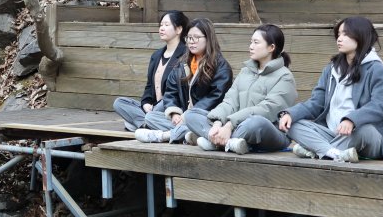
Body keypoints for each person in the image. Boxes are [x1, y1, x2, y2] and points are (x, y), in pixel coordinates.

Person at [278, 16, 383, 162]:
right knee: (293, 124)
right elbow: (316, 103)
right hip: (333, 133)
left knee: (363, 130)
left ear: (361, 36)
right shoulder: (331, 70)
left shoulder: (377, 70)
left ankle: (317, 150)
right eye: (339, 34)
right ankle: (332, 152)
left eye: (345, 34)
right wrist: (291, 114)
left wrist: (352, 120)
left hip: (366, 134)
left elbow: (380, 106)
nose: (339, 39)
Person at [184, 24, 297, 154]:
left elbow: (267, 109)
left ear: (271, 47)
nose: (251, 46)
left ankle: (213, 139)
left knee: (256, 123)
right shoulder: (245, 72)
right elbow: (230, 101)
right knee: (192, 115)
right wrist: (217, 123)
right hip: (236, 126)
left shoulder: (285, 76)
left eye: (256, 42)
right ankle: (228, 142)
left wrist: (229, 125)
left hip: (270, 131)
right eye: (251, 42)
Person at [135, 18, 232, 143]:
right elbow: (171, 91)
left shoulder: (221, 66)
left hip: (206, 117)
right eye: (189, 38)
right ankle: (188, 134)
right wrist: (174, 113)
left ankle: (165, 136)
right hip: (183, 116)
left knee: (193, 121)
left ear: (208, 39)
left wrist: (188, 115)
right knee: (150, 117)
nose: (191, 42)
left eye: (196, 38)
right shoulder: (182, 63)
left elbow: (216, 96)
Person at [113, 10, 189, 131]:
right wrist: (146, 103)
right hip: (153, 108)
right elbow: (149, 86)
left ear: (179, 29)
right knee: (119, 103)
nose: (162, 28)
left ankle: (143, 123)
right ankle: (147, 124)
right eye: (161, 25)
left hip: (171, 107)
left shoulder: (186, 55)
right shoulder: (156, 55)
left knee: (162, 104)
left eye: (166, 25)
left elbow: (179, 92)